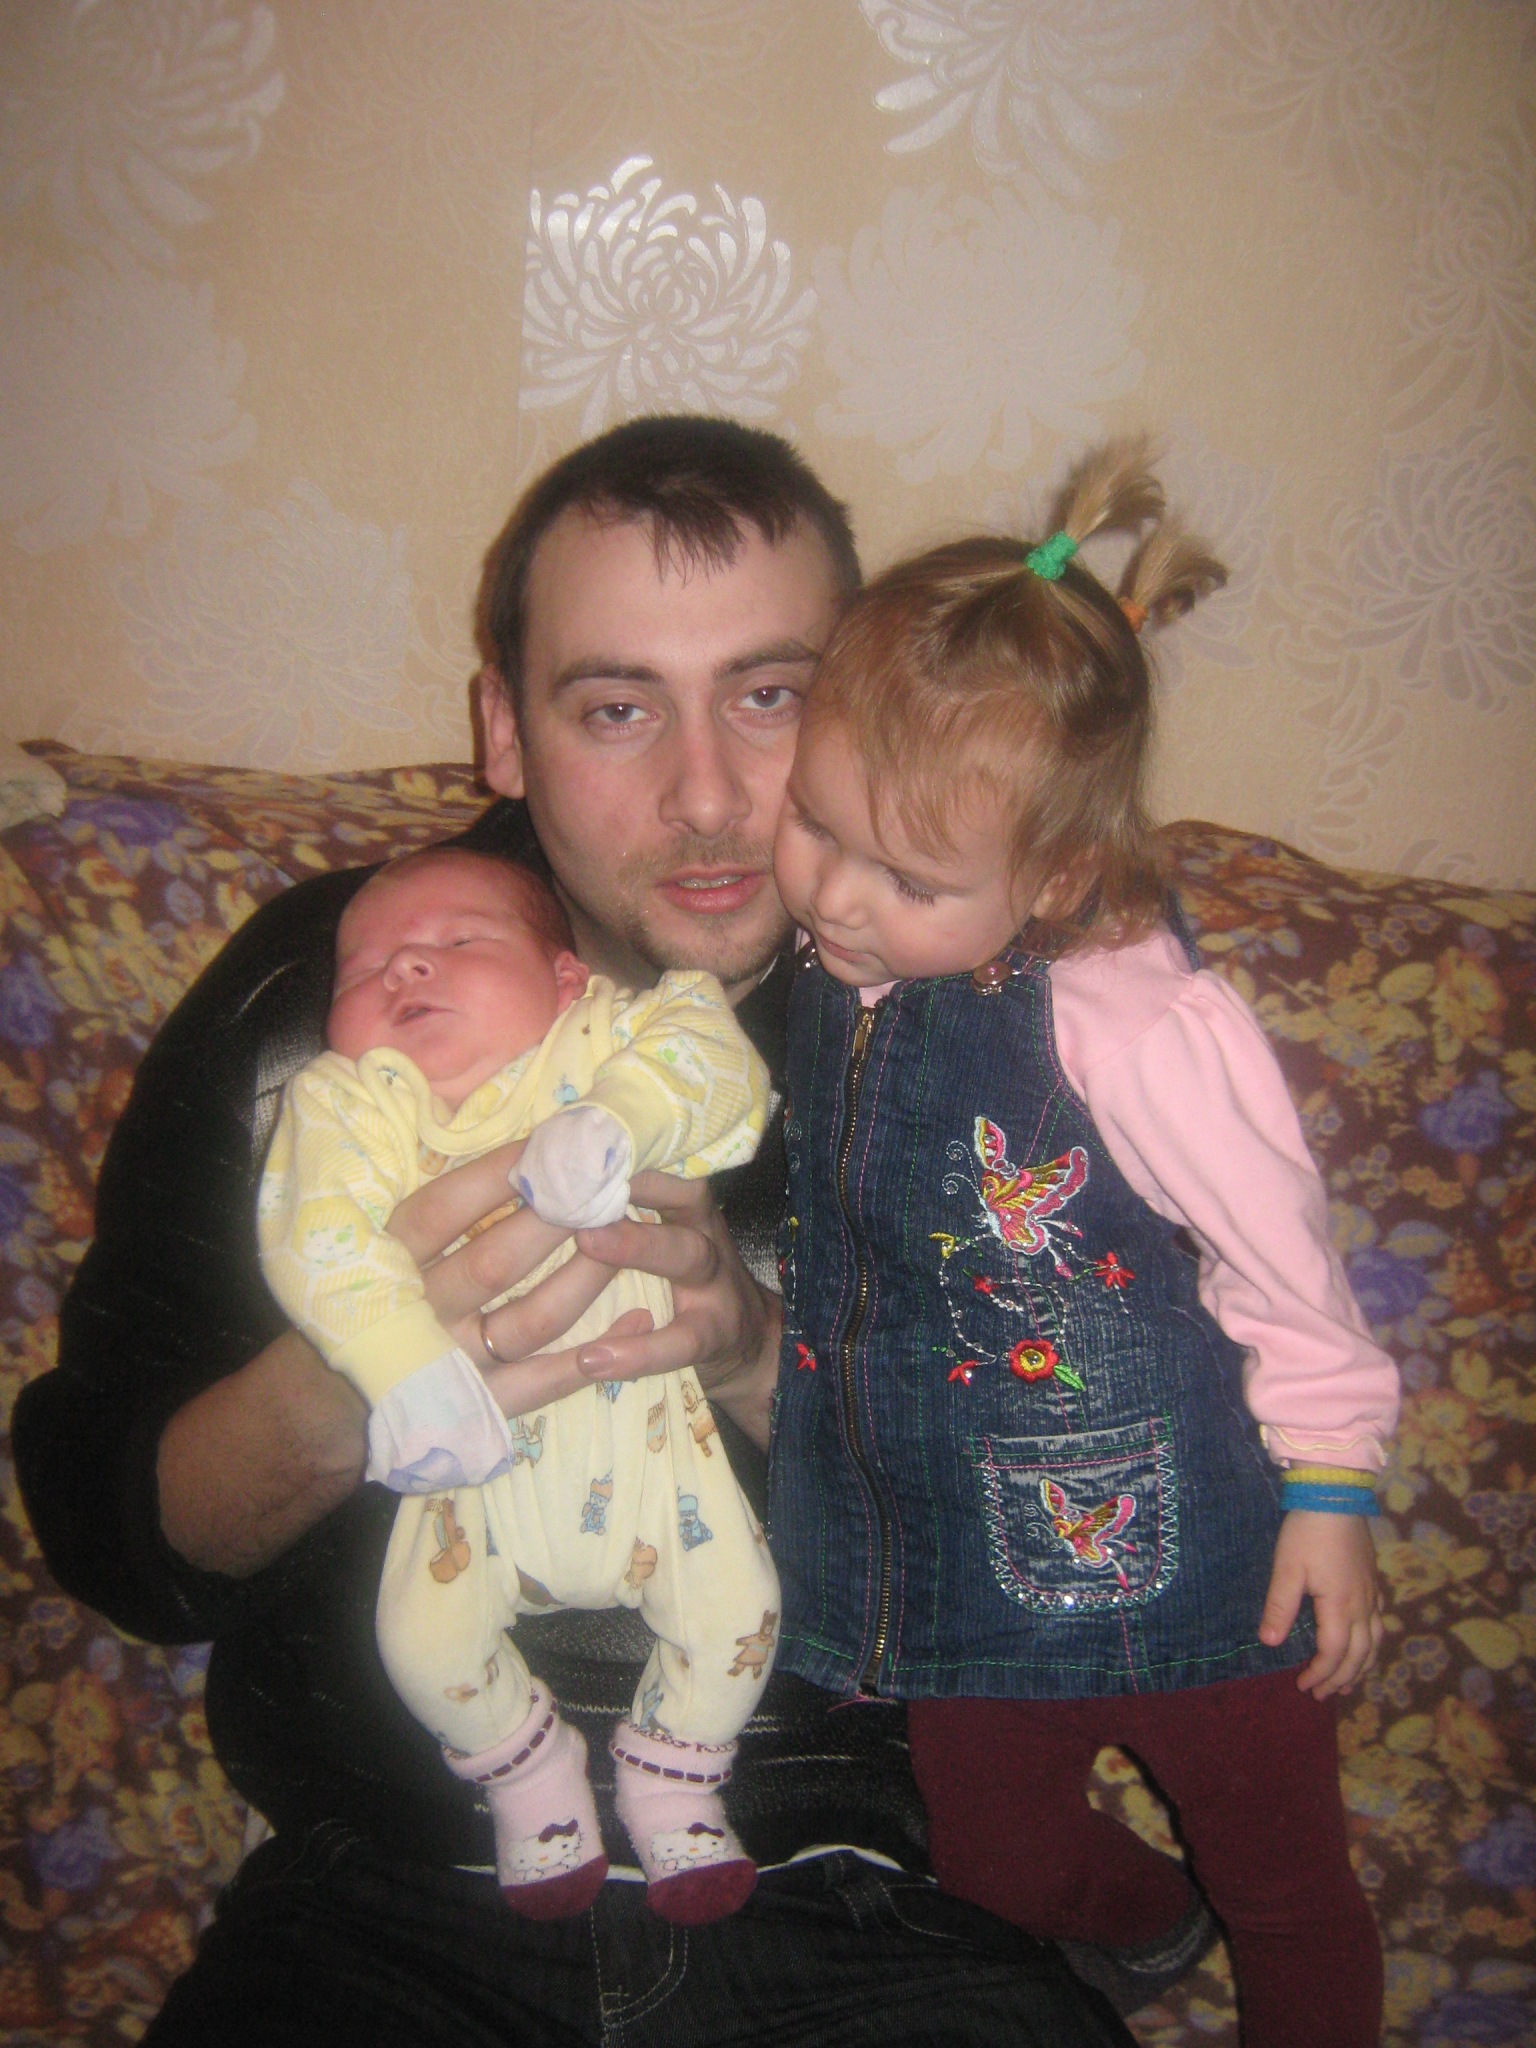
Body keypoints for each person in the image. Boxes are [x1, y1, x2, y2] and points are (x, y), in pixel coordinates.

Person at [15, 415, 1134, 2047]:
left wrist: (766, 1365)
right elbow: (116, 1540)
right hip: (387, 1898)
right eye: (617, 708)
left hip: (857, 1907)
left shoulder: (1002, 1022)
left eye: (771, 695)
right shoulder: (323, 1004)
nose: (707, 794)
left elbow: (1089, 1560)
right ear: (503, 730)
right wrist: (352, 1379)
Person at [767, 439, 1398, 2046]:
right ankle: (1149, 1919)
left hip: (1213, 1569)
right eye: (816, 826)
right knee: (991, 1865)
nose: (837, 900)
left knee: (1291, 1896)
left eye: (910, 878)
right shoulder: (833, 974)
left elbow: (1284, 1260)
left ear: (1054, 875)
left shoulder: (1139, 1022)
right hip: (970, 1569)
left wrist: (1331, 1486)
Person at [259, 846, 776, 1922]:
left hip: (659, 1462)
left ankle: (676, 1777)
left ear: (565, 977)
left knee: (742, 1614)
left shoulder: (611, 1037)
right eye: (366, 968)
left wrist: (620, 1117)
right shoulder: (355, 1102)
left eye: (458, 942)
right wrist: (406, 1371)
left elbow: (715, 1062)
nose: (406, 970)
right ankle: (526, 1772)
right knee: (420, 1645)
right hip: (470, 1476)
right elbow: (318, 1238)